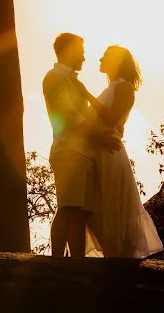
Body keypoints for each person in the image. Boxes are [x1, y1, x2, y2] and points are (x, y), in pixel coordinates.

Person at [77, 45, 163, 259]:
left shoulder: (124, 87)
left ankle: (116, 257)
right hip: (97, 151)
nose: (100, 58)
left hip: (110, 153)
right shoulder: (111, 88)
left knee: (111, 205)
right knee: (93, 206)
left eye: (105, 56)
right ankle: (111, 255)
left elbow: (111, 118)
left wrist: (86, 94)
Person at [43, 33, 121, 258]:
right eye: (81, 51)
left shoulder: (74, 81)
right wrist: (100, 137)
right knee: (68, 209)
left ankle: (77, 262)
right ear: (67, 50)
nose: (85, 58)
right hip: (68, 151)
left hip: (83, 153)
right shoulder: (54, 78)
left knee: (81, 213)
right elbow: (68, 116)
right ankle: (57, 261)